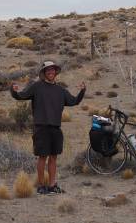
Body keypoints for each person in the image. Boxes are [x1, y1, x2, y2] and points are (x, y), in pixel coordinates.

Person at [11, 60, 85, 194]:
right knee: (42, 157)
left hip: (55, 128)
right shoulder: (36, 87)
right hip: (41, 127)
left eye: (53, 69)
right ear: (44, 73)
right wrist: (14, 91)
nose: (51, 72)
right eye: (48, 70)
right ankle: (41, 186)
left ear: (55, 72)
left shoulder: (61, 90)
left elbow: (74, 101)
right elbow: (21, 96)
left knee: (53, 158)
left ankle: (52, 185)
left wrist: (82, 91)